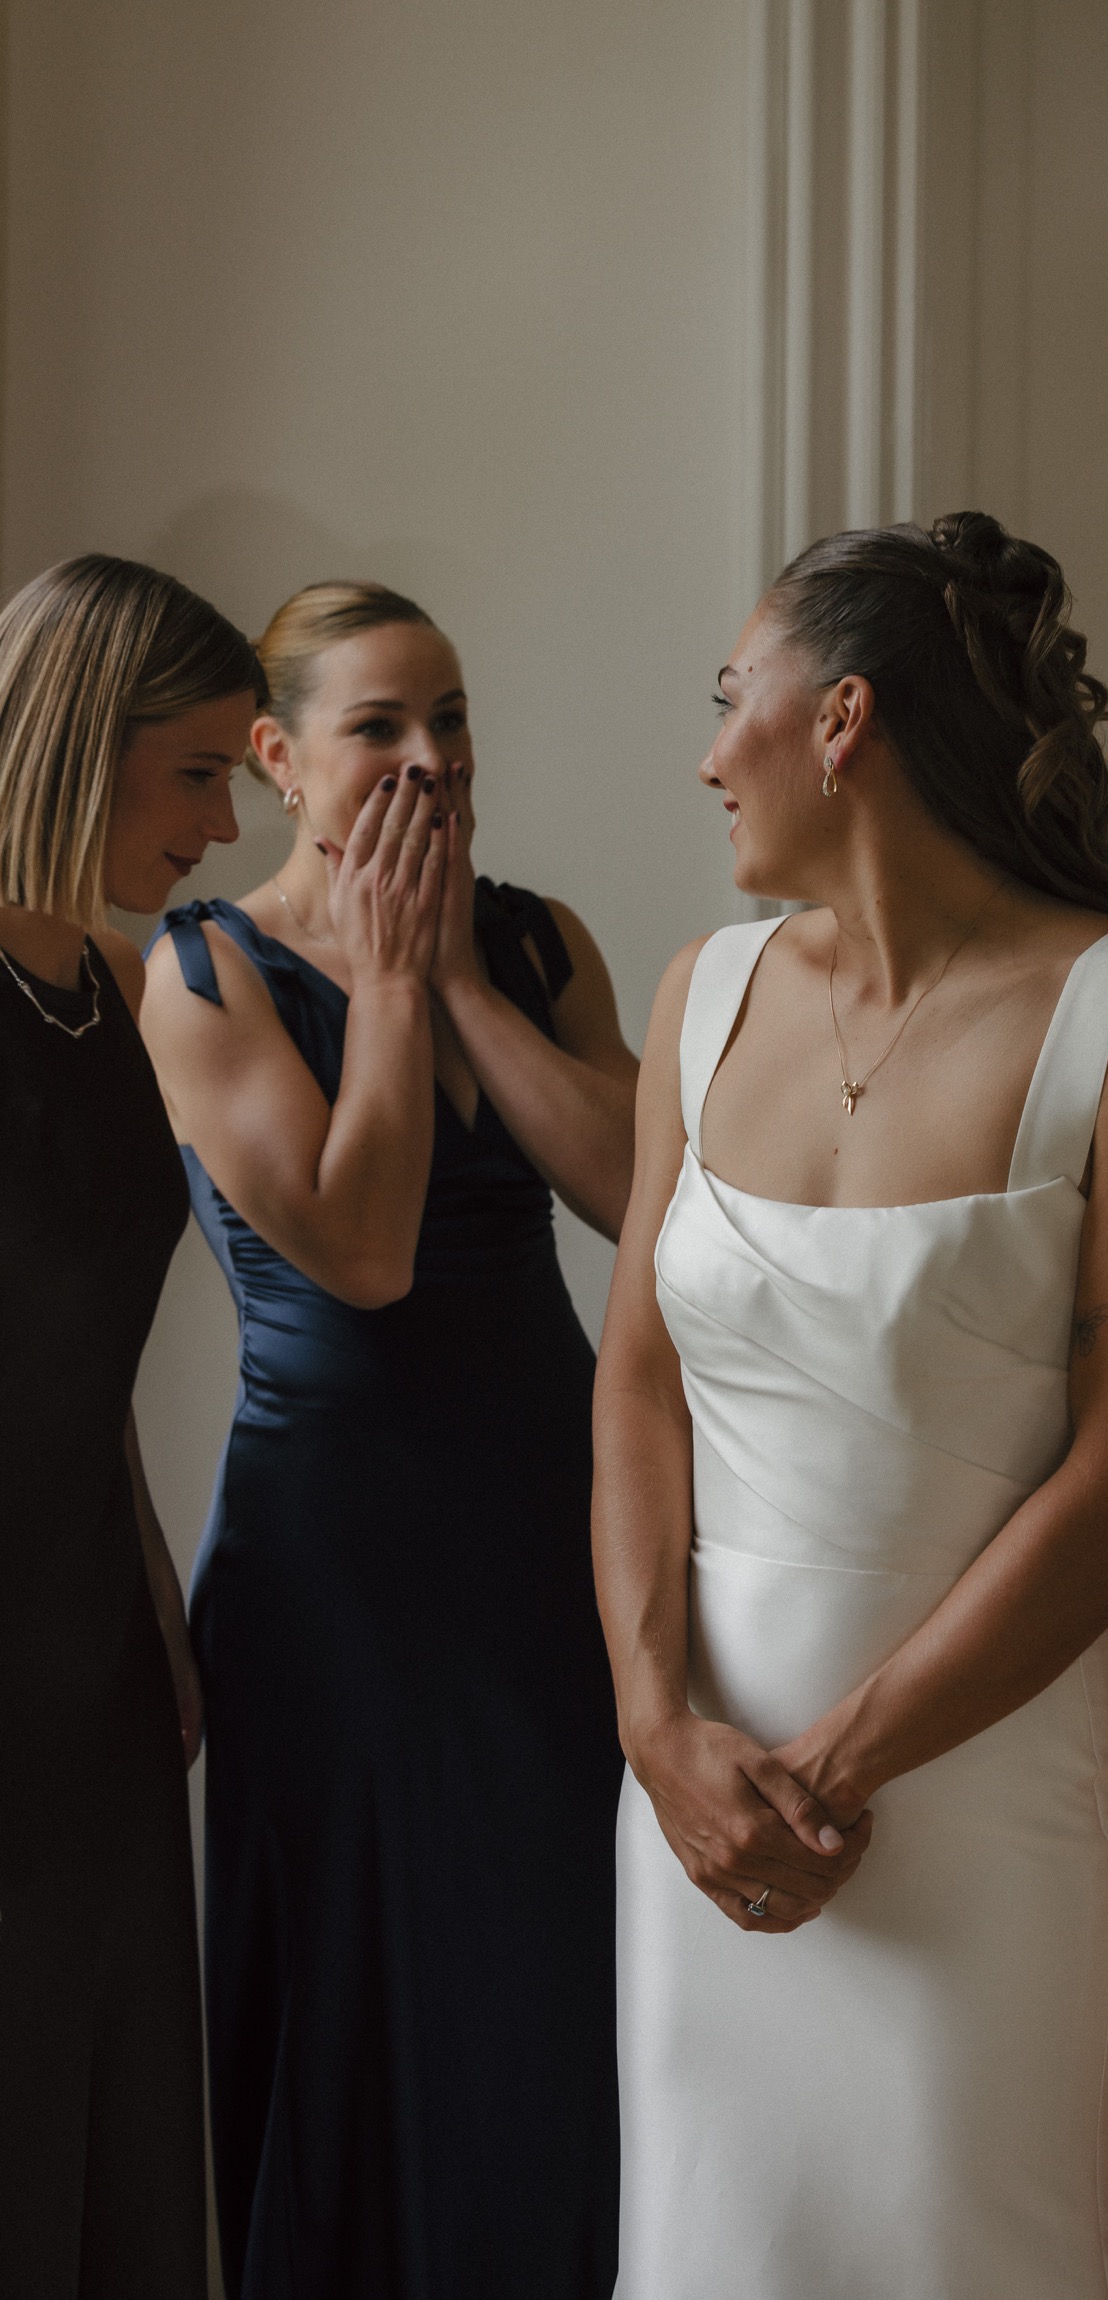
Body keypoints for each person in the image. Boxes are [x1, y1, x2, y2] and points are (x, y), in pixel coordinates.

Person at [592, 512, 1108, 2300]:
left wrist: (826, 1776)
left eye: (731, 696)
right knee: (719, 2251)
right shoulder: (702, 996)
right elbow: (637, 1382)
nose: (707, 752)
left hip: (978, 1792)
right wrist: (658, 1736)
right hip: (697, 1796)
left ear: (841, 719)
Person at [140, 581, 637, 2300]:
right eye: (379, 727)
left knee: (551, 1999)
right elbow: (361, 1249)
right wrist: (395, 992)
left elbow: (642, 1202)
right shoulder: (202, 970)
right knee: (356, 2011)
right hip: (331, 1571)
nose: (432, 759)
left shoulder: (540, 943)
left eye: (453, 717)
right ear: (276, 759)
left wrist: (455, 976)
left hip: (551, 1537)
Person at [0, 553, 261, 2298]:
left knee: (114, 2133)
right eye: (198, 774)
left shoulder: (114, 993)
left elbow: (77, 1367)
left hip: (87, 1645)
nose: (226, 827)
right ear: (83, 741)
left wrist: (158, 1602)